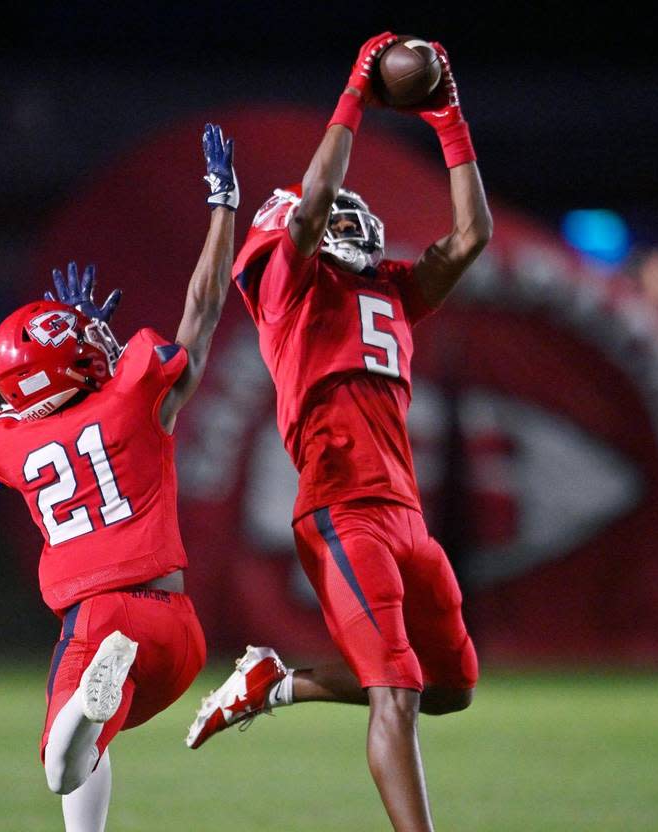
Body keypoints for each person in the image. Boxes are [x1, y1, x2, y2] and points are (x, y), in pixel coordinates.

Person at [184, 33, 493, 832]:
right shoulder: (290, 293)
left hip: (407, 517)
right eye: (331, 212)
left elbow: (472, 238)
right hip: (340, 511)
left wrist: (449, 118)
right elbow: (317, 196)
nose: (353, 215)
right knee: (396, 692)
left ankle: (275, 682)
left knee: (451, 686)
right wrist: (356, 91)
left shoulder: (388, 288)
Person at [0, 123, 237, 832]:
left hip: (99, 618)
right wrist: (222, 206)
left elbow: (1, 428)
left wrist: (53, 364)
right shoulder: (134, 401)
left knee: (62, 761)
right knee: (95, 735)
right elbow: (202, 310)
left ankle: (90, 704)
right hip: (178, 633)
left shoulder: (6, 442)